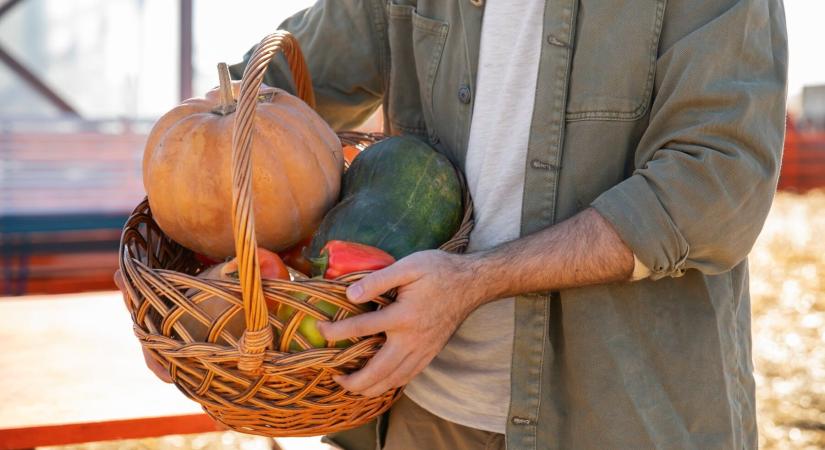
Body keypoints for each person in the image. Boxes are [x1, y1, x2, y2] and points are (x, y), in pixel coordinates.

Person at [121, 0, 788, 448]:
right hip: (414, 411)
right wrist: (187, 291)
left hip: (622, 413)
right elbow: (258, 106)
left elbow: (715, 182)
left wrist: (474, 282)